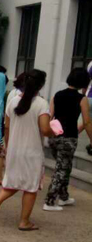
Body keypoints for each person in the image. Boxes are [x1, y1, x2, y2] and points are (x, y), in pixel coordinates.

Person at [0, 70, 56, 231]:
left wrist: (8, 147)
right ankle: (24, 222)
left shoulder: (13, 102)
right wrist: (55, 130)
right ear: (41, 85)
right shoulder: (41, 104)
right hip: (32, 152)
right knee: (30, 187)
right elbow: (45, 129)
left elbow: (6, 127)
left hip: (14, 150)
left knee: (14, 181)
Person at [43, 67, 92, 211]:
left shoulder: (57, 95)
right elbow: (87, 122)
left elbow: (50, 116)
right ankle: (49, 201)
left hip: (55, 137)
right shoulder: (82, 99)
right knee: (62, 169)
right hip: (68, 139)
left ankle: (63, 196)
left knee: (65, 167)